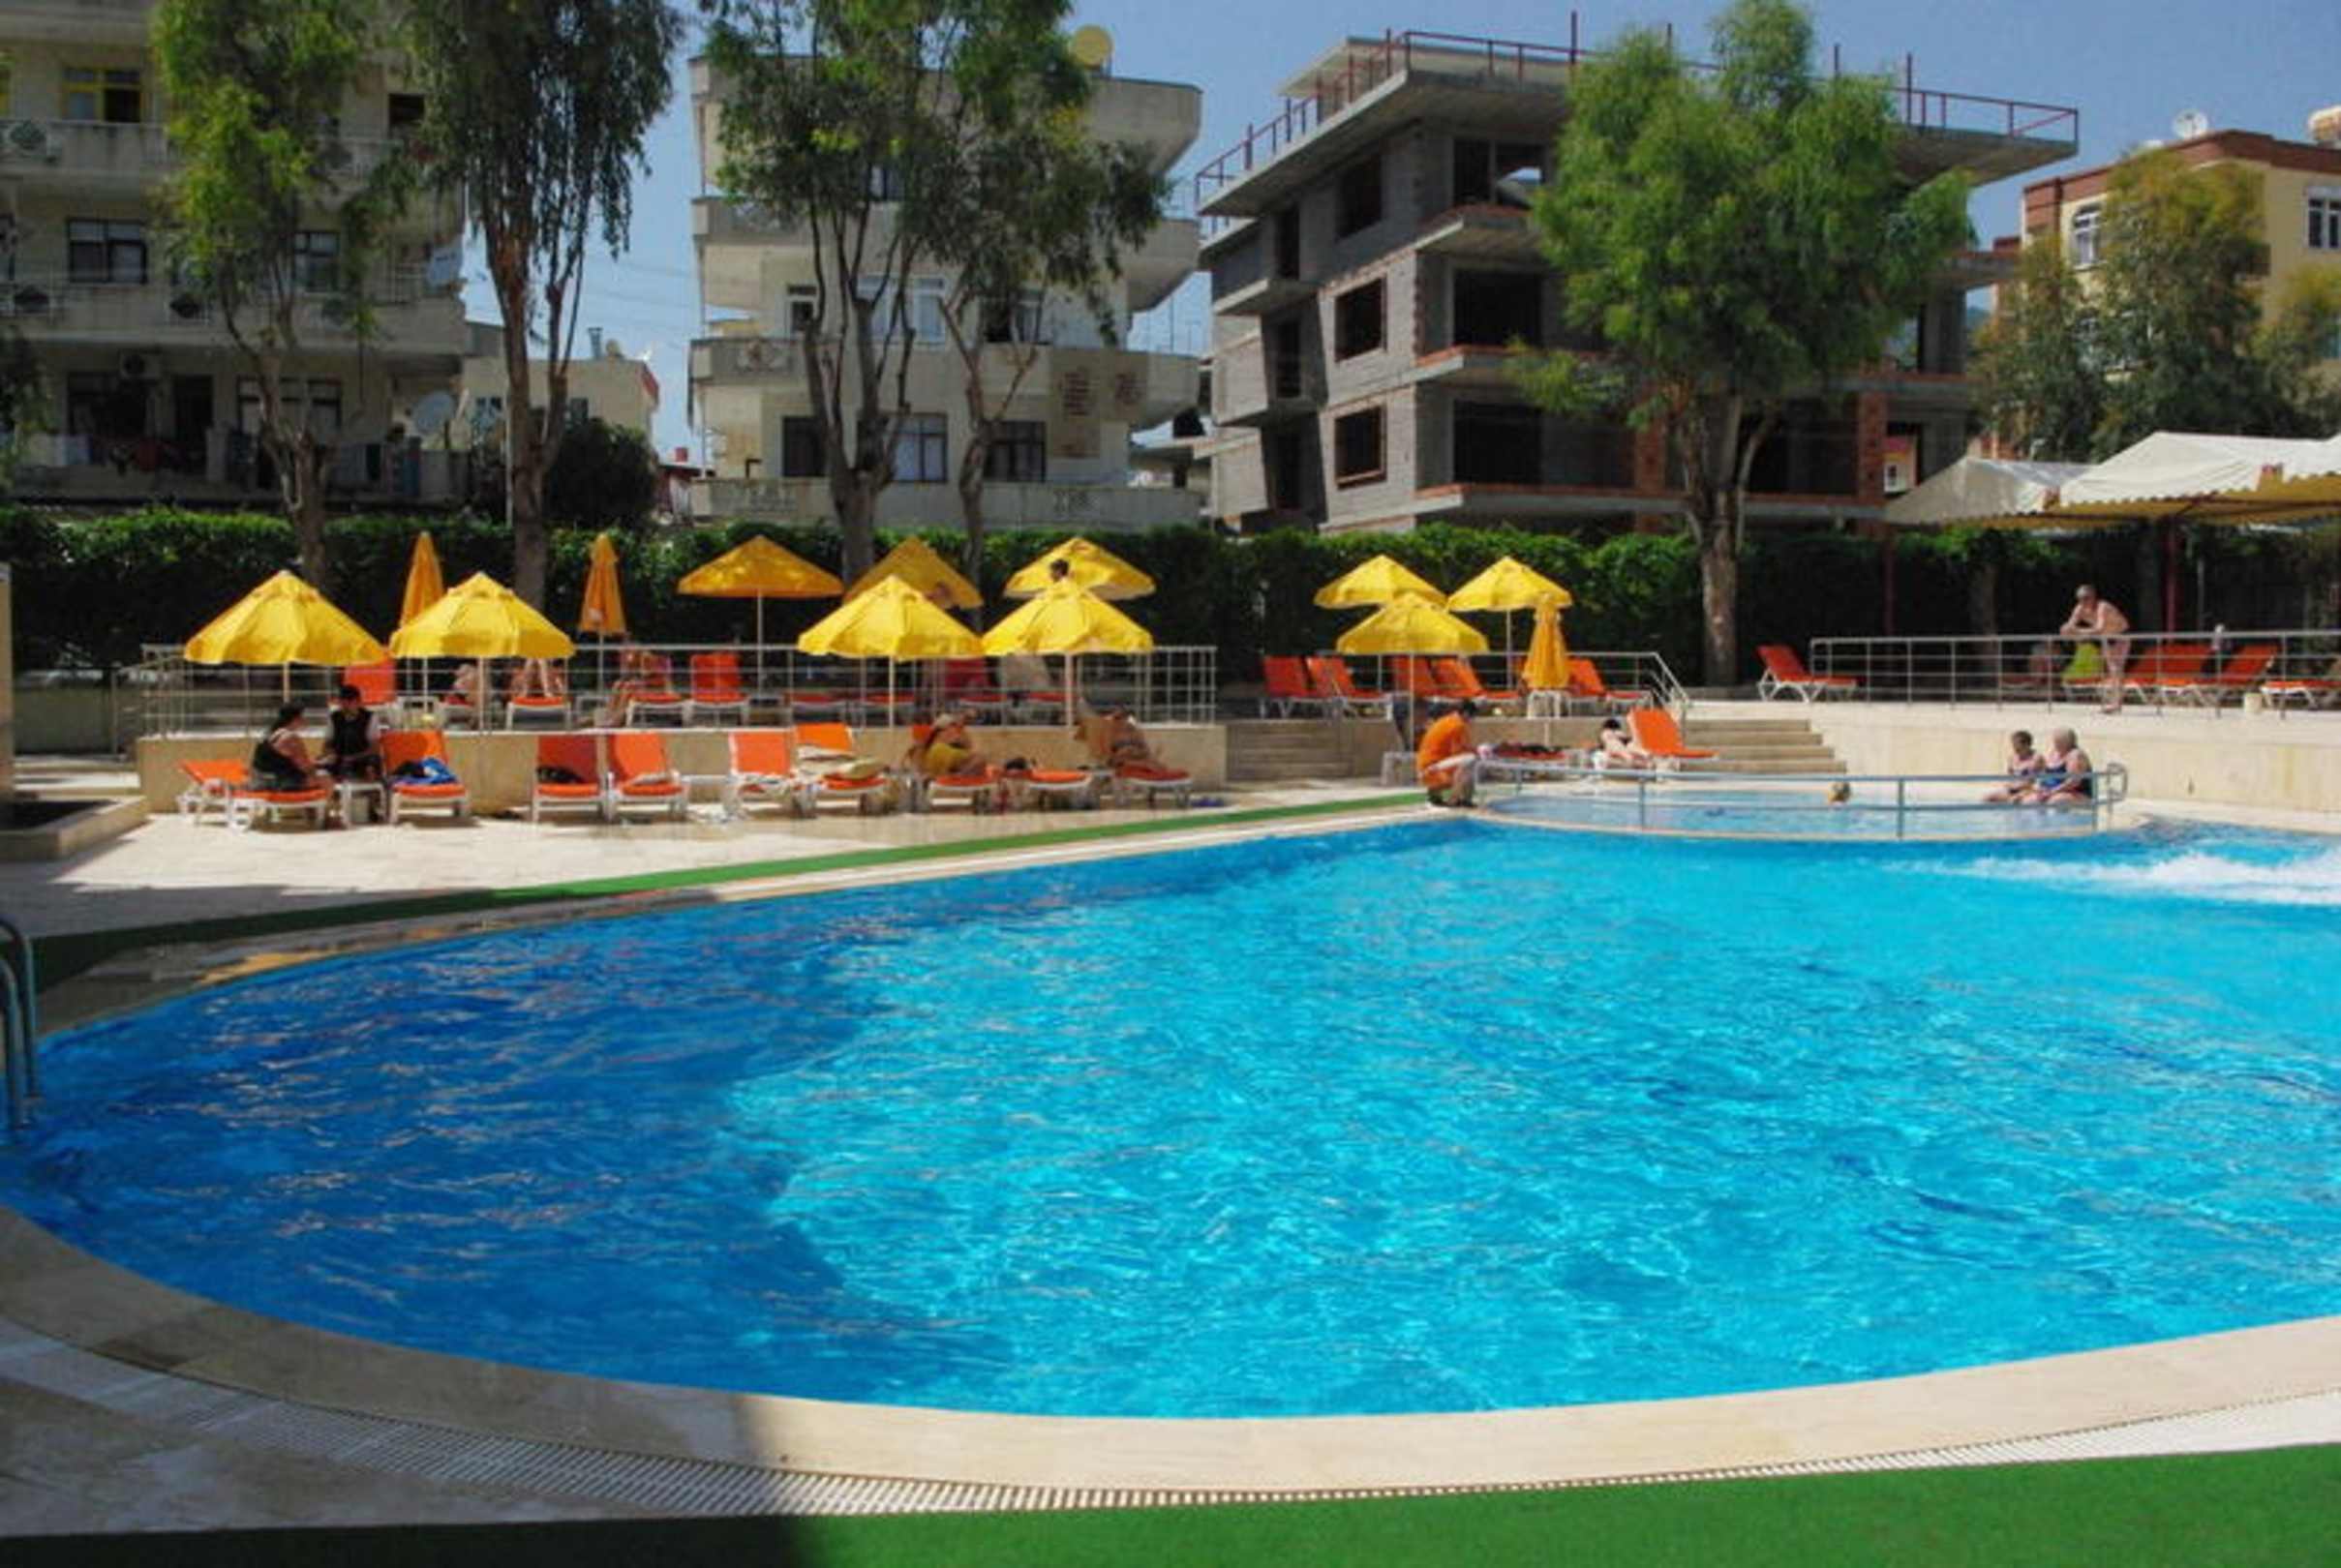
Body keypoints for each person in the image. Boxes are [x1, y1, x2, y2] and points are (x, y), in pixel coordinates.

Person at [2059, 585, 2132, 713]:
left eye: (2086, 598)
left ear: (2093, 597)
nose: (2083, 601)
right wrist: (2066, 630)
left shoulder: (2103, 606)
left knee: (2116, 669)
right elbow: (2070, 626)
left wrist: (2077, 631)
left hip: (2121, 635)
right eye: (2080, 598)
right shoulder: (2079, 609)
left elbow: (2099, 628)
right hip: (2107, 637)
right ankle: (2115, 702)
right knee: (2112, 670)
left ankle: (2116, 704)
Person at [250, 704, 331, 792]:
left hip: (258, 780)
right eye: (301, 717)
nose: (304, 720)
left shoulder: (269, 733)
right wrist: (322, 764)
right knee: (324, 776)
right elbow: (305, 767)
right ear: (296, 719)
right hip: (275, 784)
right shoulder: (290, 737)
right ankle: (327, 800)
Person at [1415, 698, 1478, 806]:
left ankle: (1434, 796)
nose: (1472, 720)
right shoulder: (1458, 725)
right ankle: (1459, 800)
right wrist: (1478, 752)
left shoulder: (1445, 721)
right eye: (1472, 716)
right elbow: (1459, 752)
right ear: (1466, 713)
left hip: (1425, 769)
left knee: (1467, 760)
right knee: (1470, 760)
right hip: (1433, 772)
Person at [319, 684, 381, 781]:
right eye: (342, 705)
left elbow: (374, 748)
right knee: (322, 765)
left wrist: (353, 758)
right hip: (339, 757)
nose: (345, 708)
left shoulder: (370, 718)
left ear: (358, 702)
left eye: (349, 704)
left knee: (373, 761)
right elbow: (326, 745)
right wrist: (330, 753)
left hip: (362, 757)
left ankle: (370, 784)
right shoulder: (334, 717)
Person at [2022, 727, 2094, 805]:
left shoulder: (2076, 755)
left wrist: (2052, 792)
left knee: (2055, 801)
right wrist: (2041, 788)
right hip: (2052, 791)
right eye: (2055, 741)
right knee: (2028, 800)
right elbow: (2045, 773)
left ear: (2067, 742)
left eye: (2058, 742)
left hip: (2076, 793)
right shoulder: (2054, 753)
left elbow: (2073, 782)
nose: (2055, 744)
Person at [1983, 729, 2046, 802]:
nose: (2015, 748)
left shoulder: (2036, 758)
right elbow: (2010, 776)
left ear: (2026, 745)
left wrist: (2018, 789)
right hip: (2012, 789)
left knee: (2014, 800)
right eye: (2014, 745)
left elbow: (2032, 782)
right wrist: (2009, 786)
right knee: (1987, 798)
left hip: (2028, 790)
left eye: (2018, 747)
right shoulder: (2012, 757)